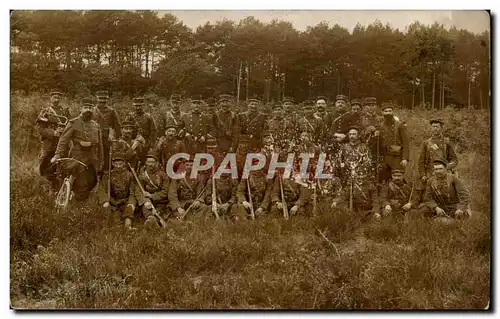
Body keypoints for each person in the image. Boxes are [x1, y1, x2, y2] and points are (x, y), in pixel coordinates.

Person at [51, 96, 103, 202]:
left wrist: (101, 161)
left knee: (92, 182)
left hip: (92, 159)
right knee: (82, 184)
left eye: (90, 108)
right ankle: (76, 204)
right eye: (86, 107)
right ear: (81, 108)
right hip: (77, 157)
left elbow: (100, 146)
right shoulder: (74, 123)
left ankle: (74, 195)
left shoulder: (96, 126)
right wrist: (58, 154)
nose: (88, 110)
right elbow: (63, 140)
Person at [36, 89, 71, 194]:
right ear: (50, 98)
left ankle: (61, 188)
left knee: (62, 163)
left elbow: (71, 125)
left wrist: (64, 132)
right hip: (49, 142)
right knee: (45, 163)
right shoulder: (45, 111)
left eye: (58, 97)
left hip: (62, 142)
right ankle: (48, 186)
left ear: (61, 99)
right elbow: (40, 128)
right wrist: (53, 133)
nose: (56, 99)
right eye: (54, 97)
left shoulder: (65, 111)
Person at [416, 118, 459, 204]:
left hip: (443, 171)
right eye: (433, 126)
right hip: (430, 172)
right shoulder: (426, 143)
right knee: (423, 192)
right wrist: (422, 174)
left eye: (437, 126)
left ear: (441, 128)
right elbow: (421, 161)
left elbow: (454, 159)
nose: (435, 128)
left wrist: (447, 167)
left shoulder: (447, 142)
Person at [97, 150, 136, 231]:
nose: (118, 166)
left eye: (120, 164)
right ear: (112, 164)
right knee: (113, 216)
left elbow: (132, 191)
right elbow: (101, 189)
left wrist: (131, 203)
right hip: (113, 201)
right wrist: (105, 201)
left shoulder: (129, 175)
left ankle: (128, 225)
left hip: (125, 201)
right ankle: (113, 226)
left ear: (124, 163)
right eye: (116, 164)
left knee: (129, 211)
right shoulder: (108, 176)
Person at [134, 149, 170, 229]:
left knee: (160, 212)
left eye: (153, 162)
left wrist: (151, 195)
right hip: (148, 201)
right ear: (146, 163)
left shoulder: (163, 175)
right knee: (147, 208)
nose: (150, 164)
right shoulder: (142, 175)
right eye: (148, 162)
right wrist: (145, 200)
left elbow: (165, 191)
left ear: (157, 163)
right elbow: (138, 191)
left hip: (161, 201)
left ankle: (155, 221)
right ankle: (151, 220)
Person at [378, 102, 409, 183]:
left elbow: (406, 143)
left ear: (393, 112)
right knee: (384, 179)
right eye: (386, 111)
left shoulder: (400, 125)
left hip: (397, 158)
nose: (388, 113)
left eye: (390, 111)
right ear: (382, 112)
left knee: (397, 179)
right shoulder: (380, 125)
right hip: (384, 157)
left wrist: (405, 158)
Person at [92, 90, 122, 173]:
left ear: (107, 99)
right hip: (95, 137)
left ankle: (106, 172)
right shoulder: (92, 111)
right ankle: (95, 172)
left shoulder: (111, 111)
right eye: (100, 98)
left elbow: (117, 126)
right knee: (95, 154)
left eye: (104, 99)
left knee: (107, 155)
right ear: (96, 99)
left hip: (107, 138)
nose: (102, 100)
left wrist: (117, 137)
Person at [129, 96, 157, 161]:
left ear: (142, 106)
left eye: (139, 106)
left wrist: (152, 144)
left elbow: (153, 131)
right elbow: (126, 129)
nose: (138, 108)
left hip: (146, 142)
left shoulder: (148, 116)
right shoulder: (130, 116)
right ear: (134, 106)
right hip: (133, 142)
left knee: (145, 159)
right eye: (136, 106)